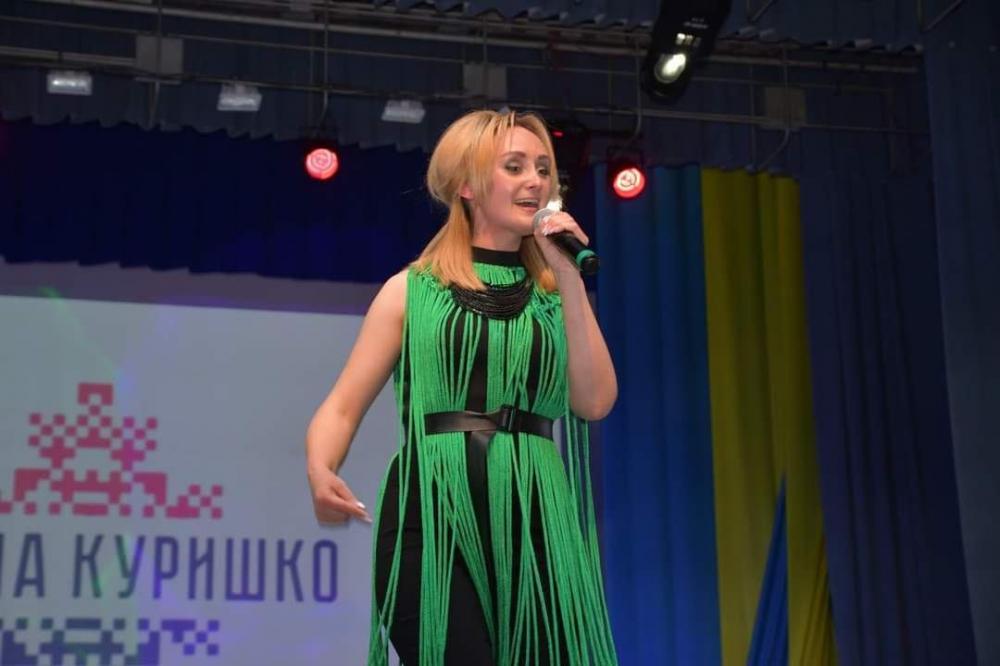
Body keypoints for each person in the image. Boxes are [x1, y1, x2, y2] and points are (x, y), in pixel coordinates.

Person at [305, 109, 619, 666]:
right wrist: (320, 467)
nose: (535, 181)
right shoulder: (412, 290)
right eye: (514, 167)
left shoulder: (554, 295)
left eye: (543, 169)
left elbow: (594, 402)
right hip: (433, 515)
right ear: (467, 186)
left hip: (534, 516)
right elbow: (342, 407)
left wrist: (569, 276)